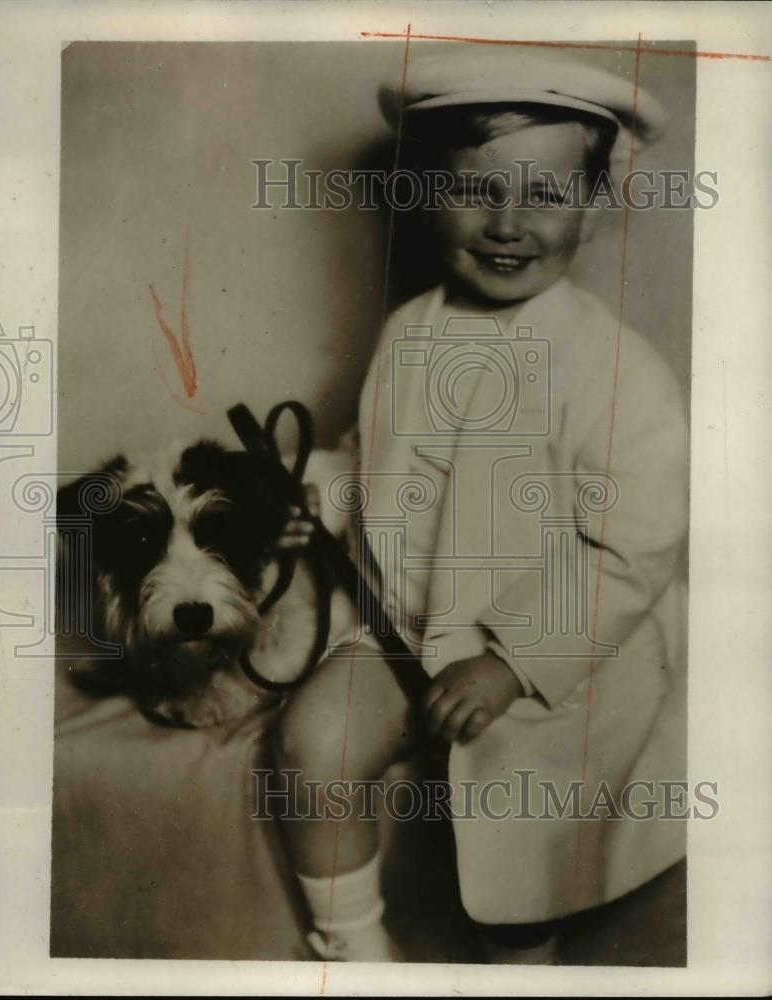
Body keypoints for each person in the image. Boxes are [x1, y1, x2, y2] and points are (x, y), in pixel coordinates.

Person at [272, 45, 689, 963]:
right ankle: (353, 949)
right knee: (308, 745)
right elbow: (385, 469)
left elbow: (631, 554)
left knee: (525, 848)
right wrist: (324, 501)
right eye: (474, 191)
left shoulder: (615, 372)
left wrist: (511, 662)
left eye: (542, 196)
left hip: (553, 652)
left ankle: (519, 969)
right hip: (405, 620)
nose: (506, 224)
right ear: (424, 194)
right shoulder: (409, 328)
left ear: (591, 204)